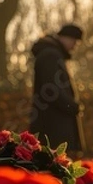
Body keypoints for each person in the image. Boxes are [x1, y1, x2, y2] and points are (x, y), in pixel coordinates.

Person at [30, 24, 84, 154]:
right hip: (54, 126)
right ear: (65, 38)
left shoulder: (51, 54)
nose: (75, 45)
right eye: (74, 41)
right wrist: (72, 106)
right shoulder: (51, 55)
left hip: (51, 123)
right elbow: (51, 90)